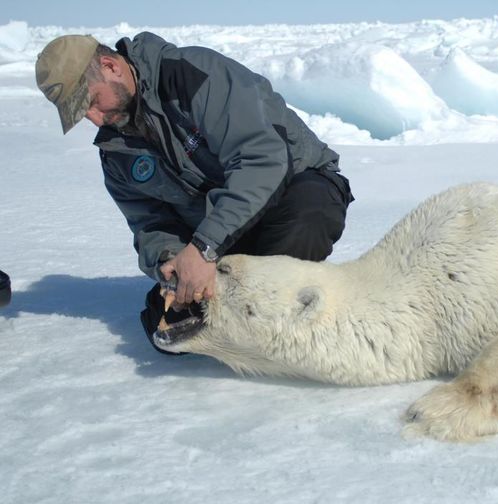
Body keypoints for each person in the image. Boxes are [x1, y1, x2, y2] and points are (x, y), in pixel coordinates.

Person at [35, 33, 353, 353]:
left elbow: (263, 160)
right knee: (167, 324)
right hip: (221, 232)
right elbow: (150, 223)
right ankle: (243, 304)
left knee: (306, 219)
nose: (94, 119)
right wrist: (173, 266)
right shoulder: (116, 151)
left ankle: (275, 314)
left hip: (293, 186)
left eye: (91, 102)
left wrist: (204, 249)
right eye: (82, 115)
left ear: (110, 66)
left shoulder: (191, 76)